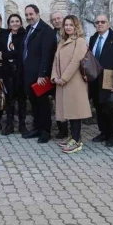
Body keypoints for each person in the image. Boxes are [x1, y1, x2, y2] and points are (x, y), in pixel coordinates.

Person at [51, 15, 90, 154]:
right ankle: (72, 137)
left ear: (76, 27)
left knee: (75, 112)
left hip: (74, 82)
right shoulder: (62, 41)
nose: (68, 27)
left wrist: (64, 78)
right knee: (67, 110)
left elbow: (76, 61)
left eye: (71, 25)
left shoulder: (79, 41)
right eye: (66, 25)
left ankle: (77, 140)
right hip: (62, 82)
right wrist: (55, 76)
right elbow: (55, 61)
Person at [21, 4, 57, 143]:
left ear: (38, 14)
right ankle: (37, 128)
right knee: (34, 103)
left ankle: (45, 131)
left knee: (42, 104)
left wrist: (42, 74)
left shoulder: (46, 30)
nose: (29, 17)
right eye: (27, 15)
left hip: (40, 76)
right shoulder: (29, 29)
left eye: (31, 14)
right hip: (29, 74)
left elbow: (46, 54)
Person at [88, 14, 113, 147]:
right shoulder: (93, 39)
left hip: (109, 80)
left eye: (103, 22)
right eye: (97, 22)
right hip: (95, 79)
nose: (100, 24)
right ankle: (103, 132)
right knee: (98, 107)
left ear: (108, 23)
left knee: (109, 108)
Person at [1, 14, 27, 135]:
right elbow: (1, 49)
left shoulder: (24, 35)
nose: (15, 23)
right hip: (8, 71)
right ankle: (9, 124)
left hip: (21, 71)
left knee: (21, 98)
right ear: (9, 24)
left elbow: (19, 52)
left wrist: (5, 55)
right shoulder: (6, 35)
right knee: (9, 98)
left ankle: (22, 125)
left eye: (17, 21)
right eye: (12, 21)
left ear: (21, 23)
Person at [49, 10, 67, 139]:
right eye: (54, 19)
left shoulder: (70, 33)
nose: (57, 21)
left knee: (69, 102)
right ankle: (62, 129)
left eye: (59, 18)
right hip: (54, 73)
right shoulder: (50, 34)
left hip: (68, 73)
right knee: (58, 103)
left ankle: (74, 129)